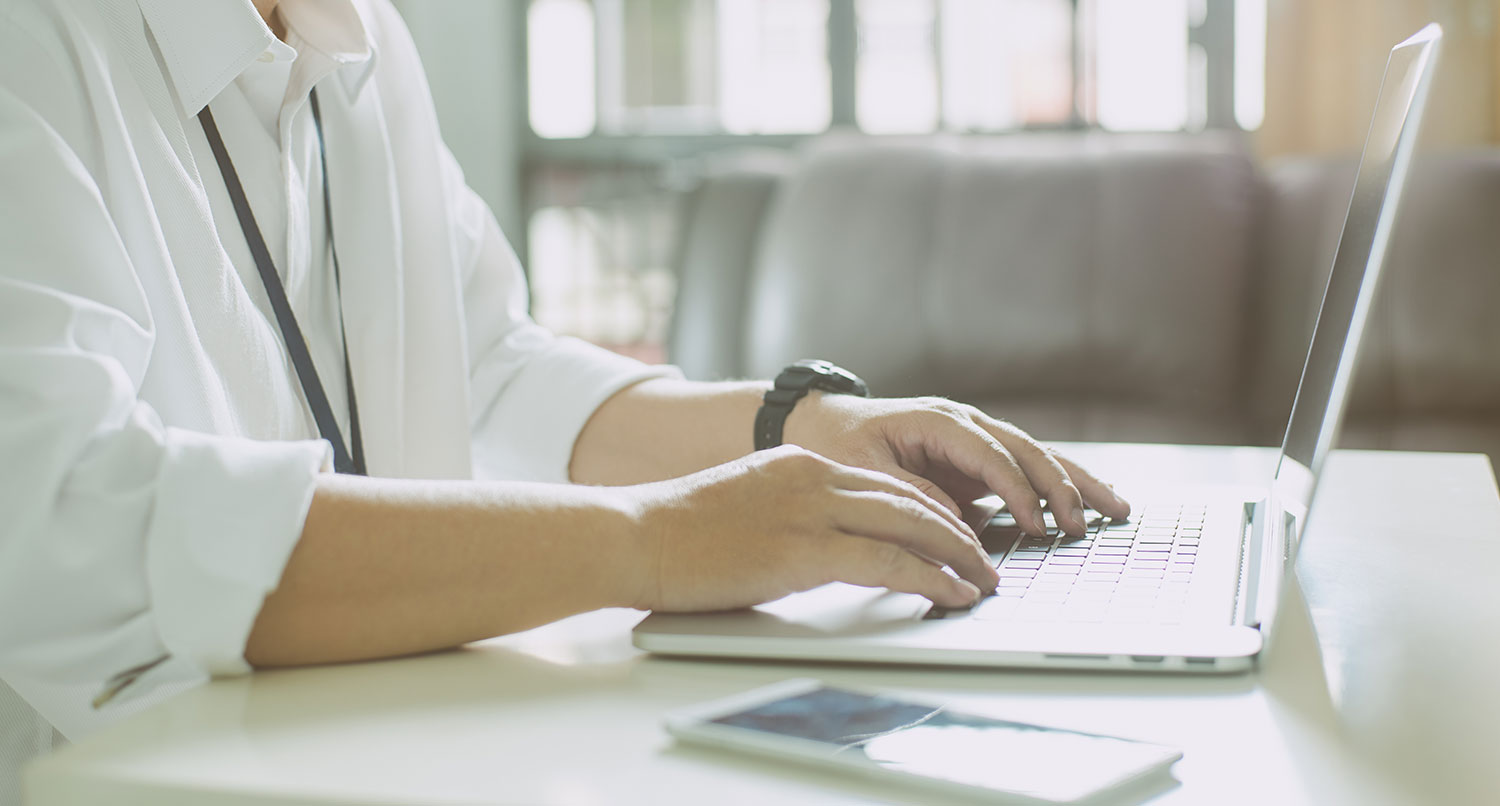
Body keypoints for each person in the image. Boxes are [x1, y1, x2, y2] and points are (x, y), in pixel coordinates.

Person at [0, 0, 1129, 795]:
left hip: (363, 753)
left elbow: (488, 363)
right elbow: (62, 527)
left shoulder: (362, 37)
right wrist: (653, 539)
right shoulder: (33, 47)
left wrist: (792, 426)